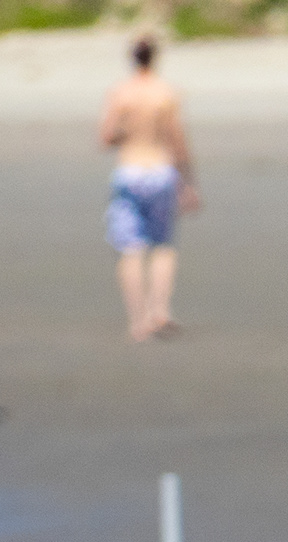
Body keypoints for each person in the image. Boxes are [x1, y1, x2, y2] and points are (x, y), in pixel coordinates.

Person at [98, 37, 200, 341]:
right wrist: (189, 181)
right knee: (162, 244)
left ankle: (138, 321)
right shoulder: (165, 93)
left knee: (130, 248)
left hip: (129, 170)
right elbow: (177, 139)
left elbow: (106, 137)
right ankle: (160, 310)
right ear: (155, 58)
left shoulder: (121, 92)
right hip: (159, 170)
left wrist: (126, 133)